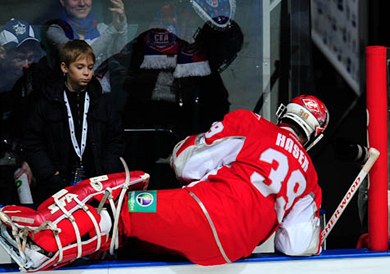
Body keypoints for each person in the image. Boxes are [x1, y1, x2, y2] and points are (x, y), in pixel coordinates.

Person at [0, 94, 329, 272]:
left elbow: (185, 164)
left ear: (285, 113)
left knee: (118, 205)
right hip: (232, 250)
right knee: (134, 232)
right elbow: (297, 246)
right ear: (314, 136)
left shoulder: (252, 124)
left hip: (199, 212)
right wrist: (315, 231)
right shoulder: (311, 179)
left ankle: (41, 248)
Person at [21, 40, 125, 205]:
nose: (87, 73)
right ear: (65, 68)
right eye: (80, 67)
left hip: (95, 185)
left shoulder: (101, 101)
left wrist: (106, 171)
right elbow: (32, 140)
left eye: (90, 68)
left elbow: (116, 139)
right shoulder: (47, 101)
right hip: (56, 185)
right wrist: (50, 174)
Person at [0, 18, 42, 205]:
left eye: (30, 57)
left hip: (23, 164)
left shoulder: (34, 80)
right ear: (2, 53)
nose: (26, 64)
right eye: (19, 58)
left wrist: (29, 159)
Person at [46, 0, 128, 70]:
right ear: (63, 2)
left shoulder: (102, 29)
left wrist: (121, 28)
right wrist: (113, 29)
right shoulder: (56, 31)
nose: (82, 3)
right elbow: (81, 57)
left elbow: (119, 59)